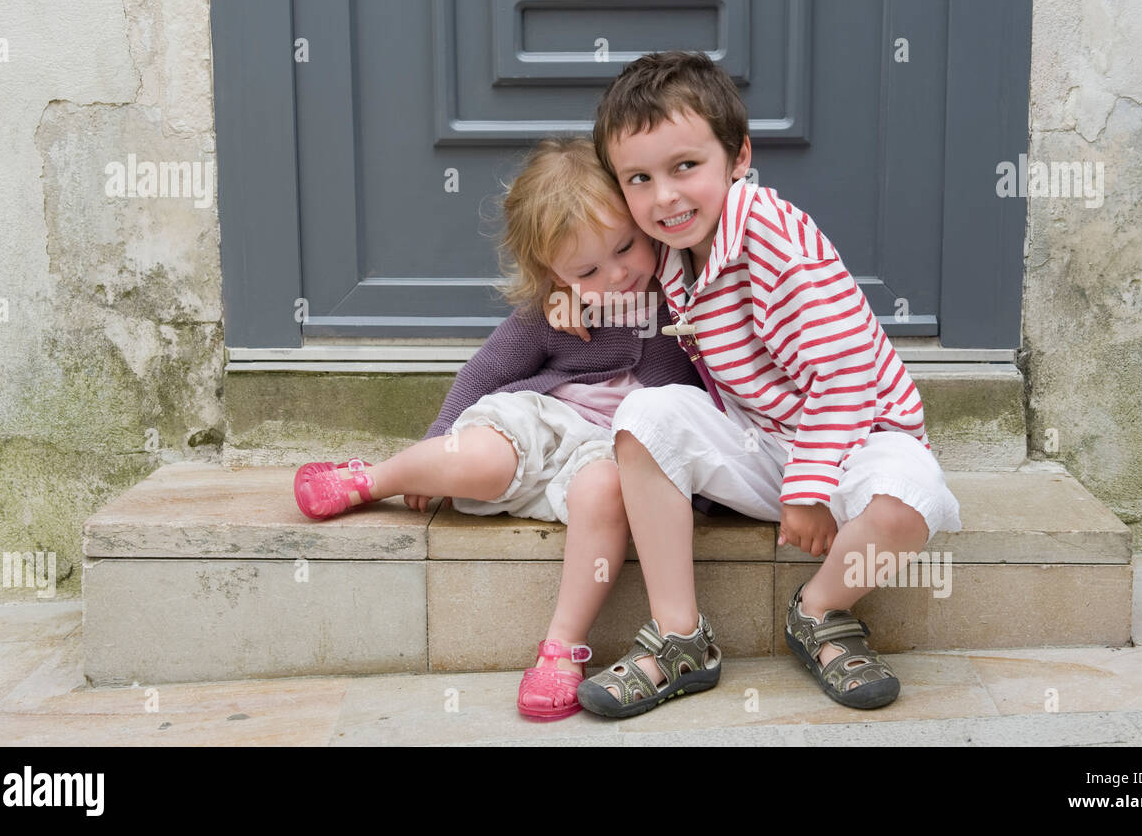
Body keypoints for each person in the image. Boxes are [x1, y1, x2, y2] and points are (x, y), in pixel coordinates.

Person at [553, 50, 962, 718]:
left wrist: (808, 488)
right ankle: (680, 637)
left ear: (738, 156)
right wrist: (563, 307)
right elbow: (621, 288)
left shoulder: (770, 232)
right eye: (639, 178)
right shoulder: (677, 252)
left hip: (860, 436)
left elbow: (841, 369)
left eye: (686, 166)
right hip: (767, 440)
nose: (665, 196)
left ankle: (821, 610)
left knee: (912, 499)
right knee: (643, 417)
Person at [292, 137, 706, 720]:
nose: (616, 275)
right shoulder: (547, 312)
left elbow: (707, 380)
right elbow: (485, 372)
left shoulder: (685, 294)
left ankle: (561, 647)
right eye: (586, 269)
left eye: (626, 248)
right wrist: (440, 438)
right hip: (544, 417)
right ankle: (374, 477)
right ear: (551, 273)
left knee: (604, 493)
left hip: (617, 451)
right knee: (478, 459)